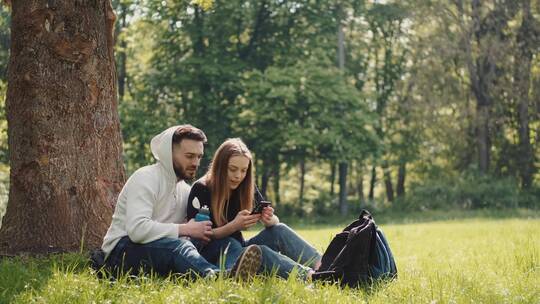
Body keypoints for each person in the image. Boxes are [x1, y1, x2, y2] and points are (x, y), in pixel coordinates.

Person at [101, 126, 261, 279]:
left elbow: (187, 234)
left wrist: (201, 232)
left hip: (163, 249)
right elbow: (137, 230)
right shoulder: (145, 177)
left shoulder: (185, 190)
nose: (196, 163)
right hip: (121, 251)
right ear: (169, 153)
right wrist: (185, 229)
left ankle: (232, 273)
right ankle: (215, 277)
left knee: (226, 243)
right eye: (189, 156)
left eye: (199, 157)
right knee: (178, 247)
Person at [187, 138, 322, 280]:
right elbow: (200, 236)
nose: (238, 176)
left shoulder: (245, 186)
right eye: (232, 169)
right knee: (241, 245)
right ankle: (310, 277)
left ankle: (325, 265)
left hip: (239, 249)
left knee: (279, 229)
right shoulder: (202, 188)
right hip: (211, 253)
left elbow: (274, 221)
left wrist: (269, 218)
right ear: (220, 166)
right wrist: (233, 226)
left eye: (243, 170)